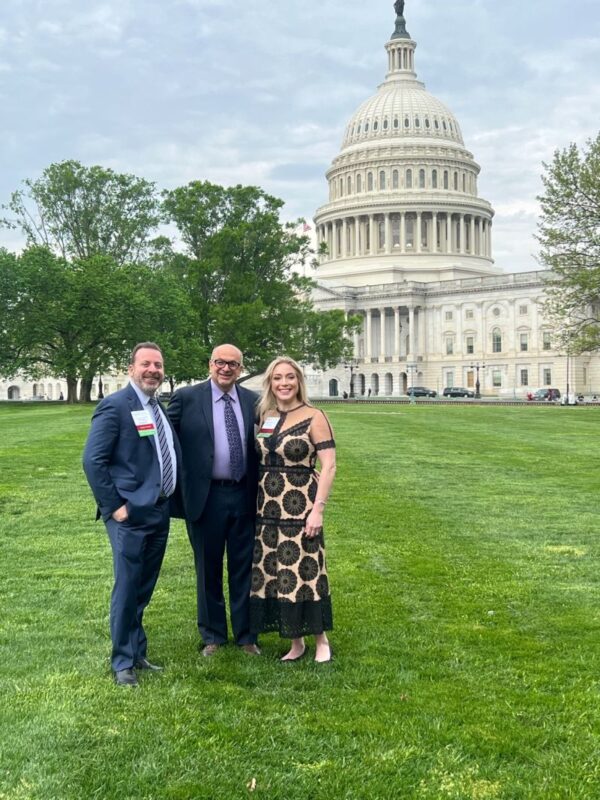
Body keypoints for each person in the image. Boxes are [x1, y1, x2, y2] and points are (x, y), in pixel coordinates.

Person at [83, 342, 181, 687]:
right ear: (131, 369)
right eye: (146, 364)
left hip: (159, 511)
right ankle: (122, 661)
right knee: (127, 586)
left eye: (158, 364)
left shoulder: (158, 407)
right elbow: (93, 461)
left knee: (143, 586)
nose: (153, 369)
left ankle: (137, 651)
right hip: (129, 514)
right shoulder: (115, 407)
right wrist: (115, 508)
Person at [167, 344, 260, 656]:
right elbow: (166, 440)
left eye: (233, 364)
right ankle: (213, 636)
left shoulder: (253, 401)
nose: (226, 368)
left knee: (244, 567)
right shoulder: (187, 397)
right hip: (205, 497)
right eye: (220, 362)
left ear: (240, 369)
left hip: (244, 493)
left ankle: (247, 636)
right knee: (207, 568)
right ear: (210, 364)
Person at [249, 357, 336, 663]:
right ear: (270, 383)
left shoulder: (314, 416)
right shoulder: (266, 415)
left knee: (305, 572)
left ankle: (321, 640)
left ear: (299, 381)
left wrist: (318, 510)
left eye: (289, 377)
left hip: (300, 507)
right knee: (278, 573)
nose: (283, 383)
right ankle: (296, 643)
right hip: (268, 508)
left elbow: (329, 465)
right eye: (277, 378)